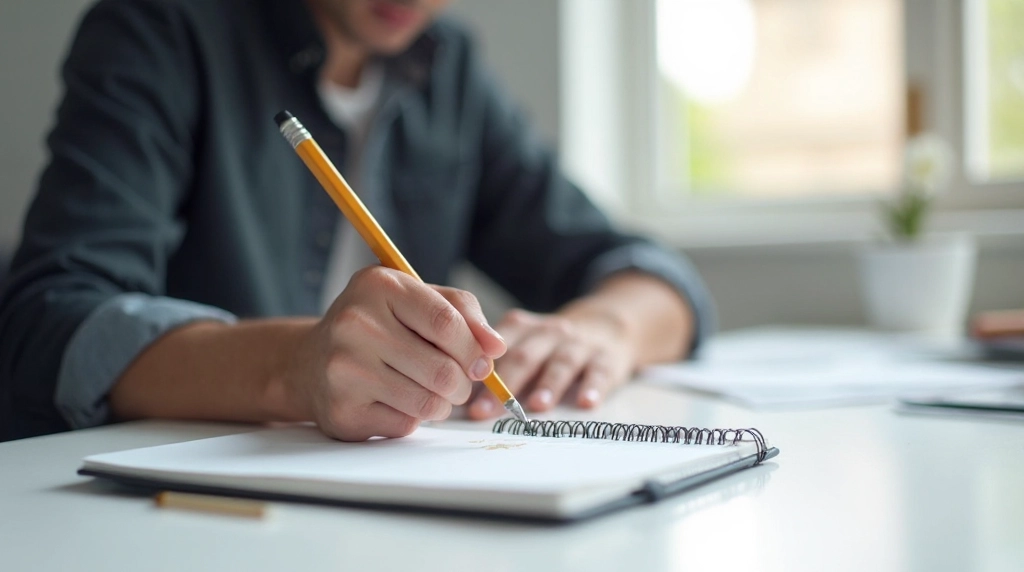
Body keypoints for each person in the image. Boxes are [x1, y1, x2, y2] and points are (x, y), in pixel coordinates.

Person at [0, 0, 713, 442]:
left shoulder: (448, 68)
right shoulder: (161, 29)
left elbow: (649, 274)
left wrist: (602, 330)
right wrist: (293, 368)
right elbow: (51, 323)